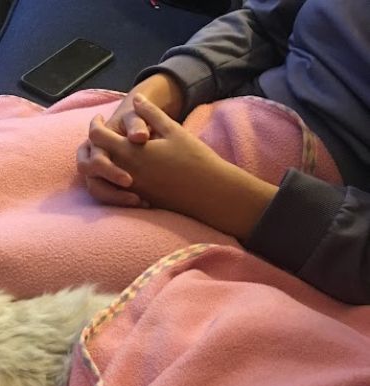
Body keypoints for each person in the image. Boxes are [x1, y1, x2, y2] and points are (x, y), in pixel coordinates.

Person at [77, 0, 369, 304]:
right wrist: (155, 94)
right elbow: (263, 24)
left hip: (298, 219)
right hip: (216, 118)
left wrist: (214, 194)